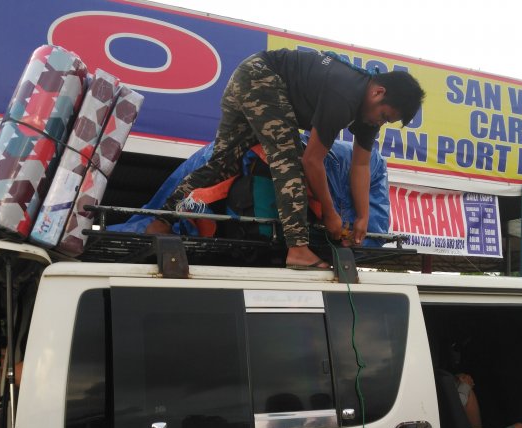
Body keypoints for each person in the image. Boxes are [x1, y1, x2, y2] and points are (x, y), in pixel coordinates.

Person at [145, 48, 425, 269]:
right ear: (378, 93)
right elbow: (312, 161)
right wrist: (330, 213)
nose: (381, 122)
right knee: (288, 159)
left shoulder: (368, 113)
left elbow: (361, 164)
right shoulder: (345, 96)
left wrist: (363, 216)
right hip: (261, 76)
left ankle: (162, 221)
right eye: (385, 116)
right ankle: (298, 248)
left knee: (223, 163)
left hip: (250, 77)